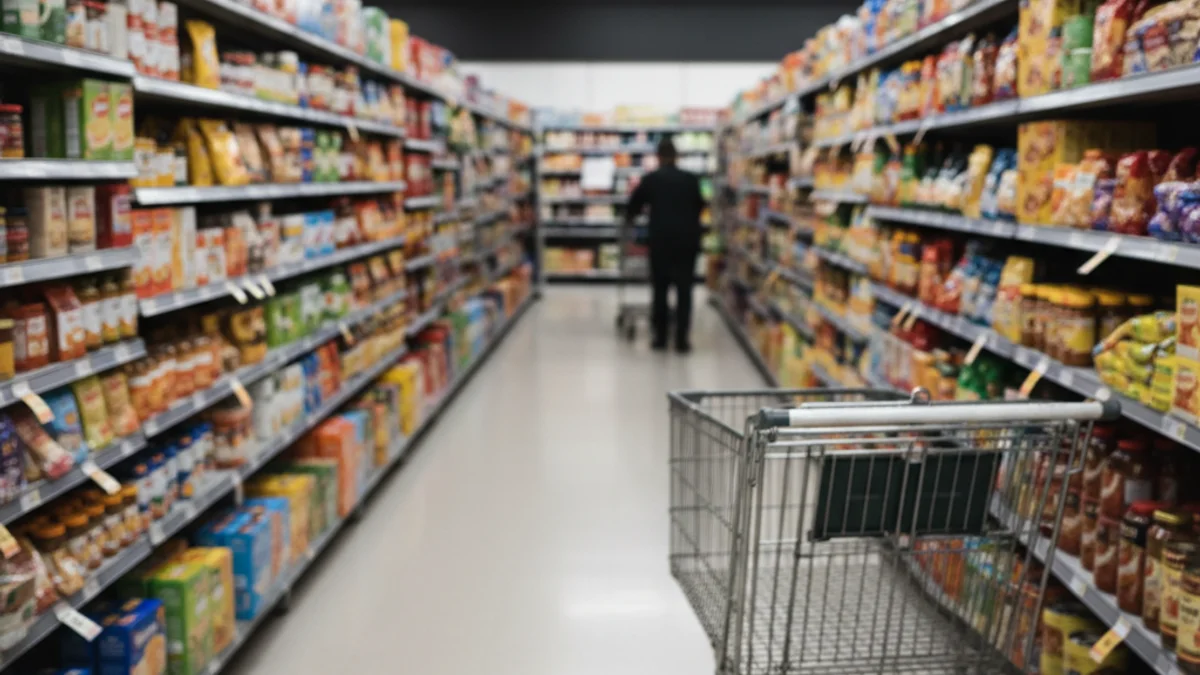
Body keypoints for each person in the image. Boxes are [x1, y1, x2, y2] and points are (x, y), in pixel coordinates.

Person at [625, 138, 705, 353]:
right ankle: (681, 340)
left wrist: (636, 220)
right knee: (684, 291)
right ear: (676, 156)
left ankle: (660, 338)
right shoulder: (690, 179)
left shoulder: (651, 179)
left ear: (658, 157)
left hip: (661, 241)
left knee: (660, 290)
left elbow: (633, 207)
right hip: (687, 242)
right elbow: (699, 205)